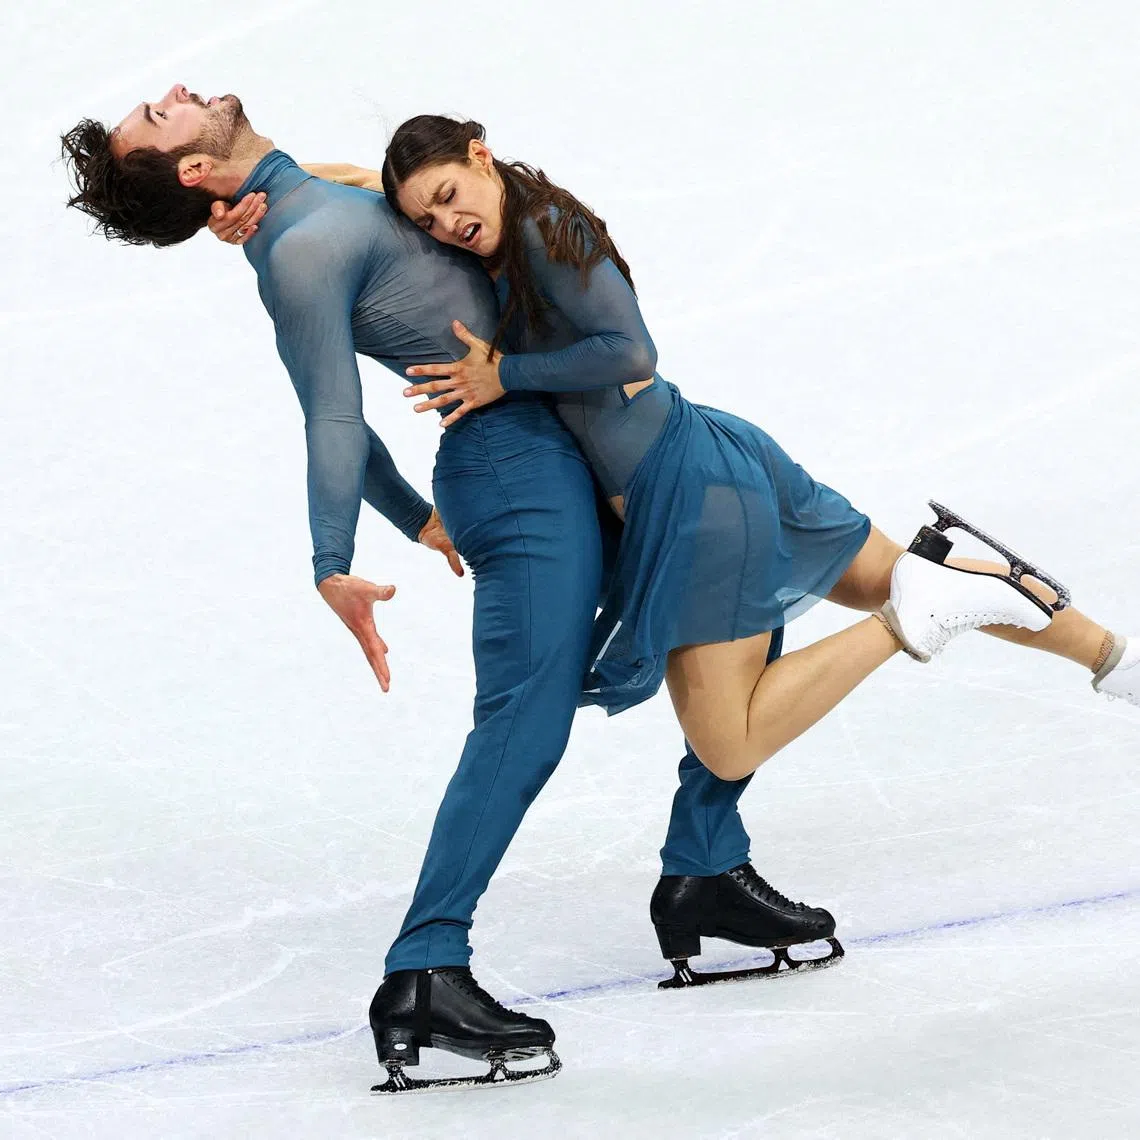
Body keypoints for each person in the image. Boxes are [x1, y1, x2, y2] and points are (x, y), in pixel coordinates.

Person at [59, 86, 845, 1095]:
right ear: (195, 170)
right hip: (517, 472)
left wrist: (416, 515)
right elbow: (333, 419)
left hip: (570, 441)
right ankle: (425, 970)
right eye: (159, 117)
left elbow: (357, 200)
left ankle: (705, 867)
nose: (175, 93)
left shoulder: (303, 202)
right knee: (525, 718)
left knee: (728, 586)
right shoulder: (297, 246)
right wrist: (338, 556)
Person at [310, 114, 1136, 783]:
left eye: (449, 198)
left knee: (730, 743)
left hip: (687, 490)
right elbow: (382, 192)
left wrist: (506, 375)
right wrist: (300, 184)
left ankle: (913, 618)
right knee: (891, 569)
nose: (447, 226)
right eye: (426, 220)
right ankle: (1115, 657)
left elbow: (630, 351)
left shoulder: (543, 229)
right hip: (706, 453)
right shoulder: (506, 214)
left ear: (481, 155)